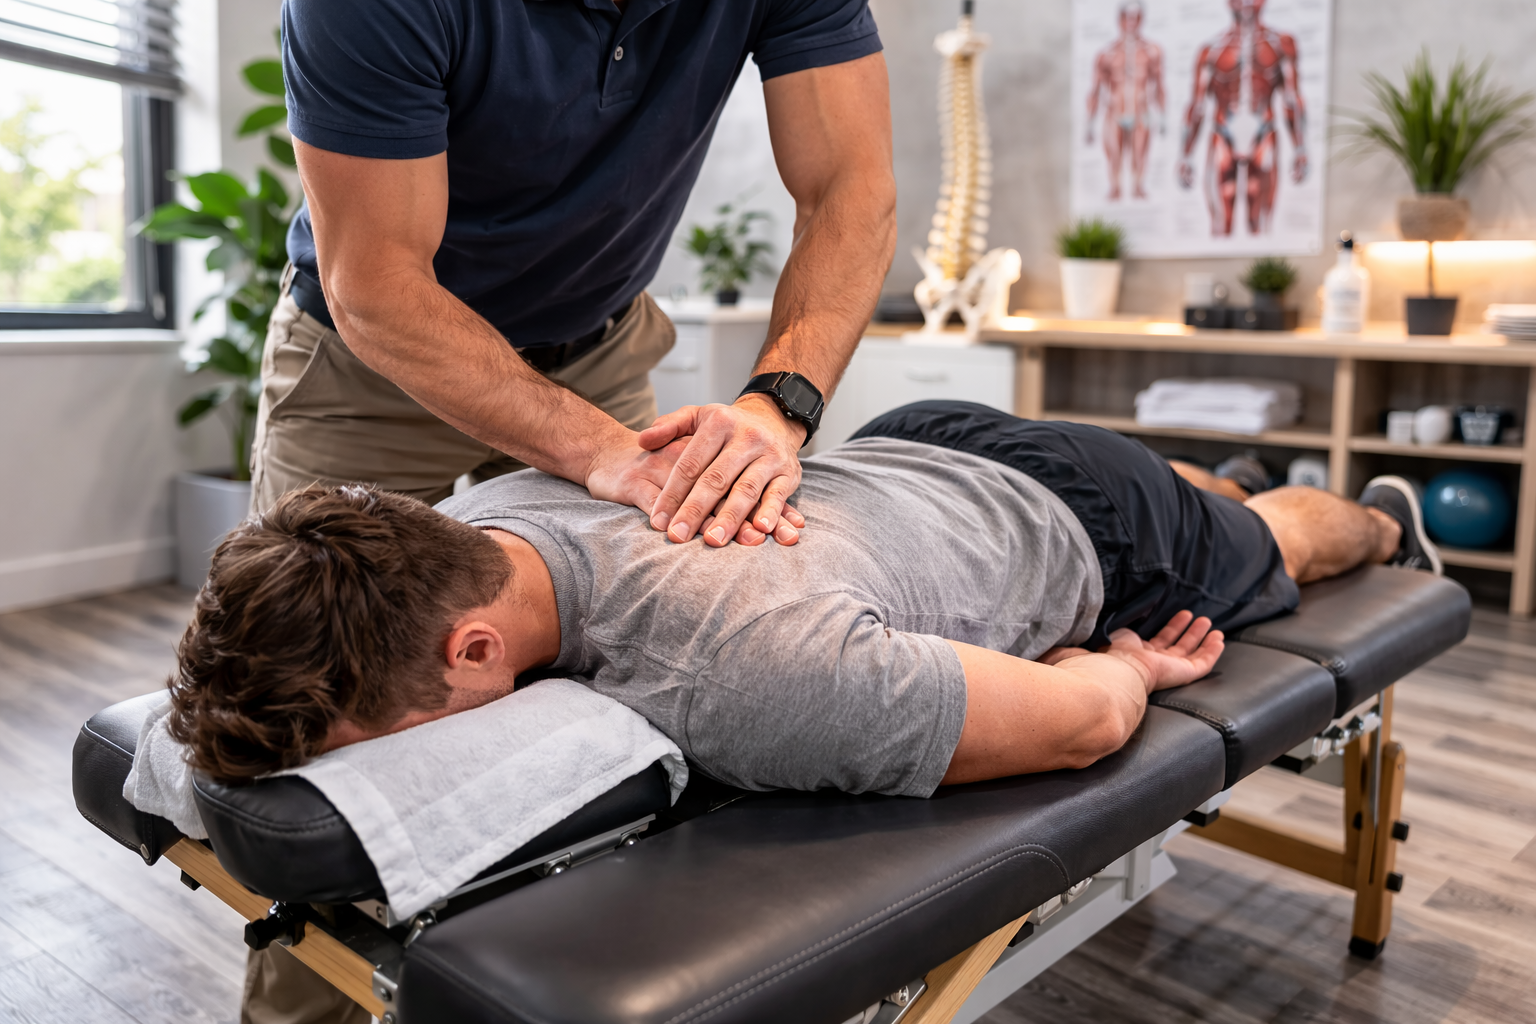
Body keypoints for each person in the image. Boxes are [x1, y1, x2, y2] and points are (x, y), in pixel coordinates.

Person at [170, 403, 1439, 799]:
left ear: (478, 645)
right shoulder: (498, 500)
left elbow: (1081, 725)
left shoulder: (747, 673)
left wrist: (1130, 671)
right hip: (910, 442)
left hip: (1084, 529)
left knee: (1278, 537)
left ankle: (1389, 515)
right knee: (1203, 488)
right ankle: (1218, 487)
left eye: (381, 746)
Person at [257, 0, 897, 555]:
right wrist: (595, 450)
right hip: (375, 372)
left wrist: (778, 403)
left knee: (640, 625)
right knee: (310, 664)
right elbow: (377, 286)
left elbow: (850, 191)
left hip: (598, 354)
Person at [1176, 0, 1307, 235]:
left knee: (1260, 225)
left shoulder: (1280, 44)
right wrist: (1185, 154)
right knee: (1220, 223)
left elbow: (1292, 99)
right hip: (1223, 133)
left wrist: (1300, 148)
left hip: (1263, 133)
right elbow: (1197, 106)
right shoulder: (1212, 49)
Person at [1085, 1, 1166, 201]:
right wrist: (1089, 122)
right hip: (1115, 112)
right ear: (1119, 20)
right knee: (1114, 155)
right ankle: (1115, 187)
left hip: (1141, 112)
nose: (1131, 23)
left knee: (1140, 153)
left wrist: (1163, 115)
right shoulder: (1106, 54)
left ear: (1141, 20)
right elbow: (1095, 90)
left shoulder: (1151, 51)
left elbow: (1159, 85)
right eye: (1127, 18)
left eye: (1135, 18)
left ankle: (1138, 186)